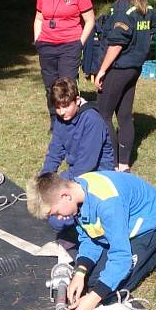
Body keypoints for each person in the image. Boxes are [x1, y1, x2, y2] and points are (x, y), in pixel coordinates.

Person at [26, 171, 156, 310]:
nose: (58, 218)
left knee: (111, 292)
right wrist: (80, 273)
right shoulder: (78, 195)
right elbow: (90, 237)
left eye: (56, 212)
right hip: (120, 227)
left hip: (149, 226)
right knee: (92, 281)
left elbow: (121, 257)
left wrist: (93, 299)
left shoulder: (107, 203)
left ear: (65, 196)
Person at [95, 0, 156, 173]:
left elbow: (116, 44)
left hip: (119, 67)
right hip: (135, 68)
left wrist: (102, 71)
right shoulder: (146, 8)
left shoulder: (123, 8)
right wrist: (141, 43)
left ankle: (112, 162)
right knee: (124, 115)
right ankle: (124, 165)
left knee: (103, 115)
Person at [41, 77, 115, 232]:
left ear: (77, 100)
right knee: (47, 208)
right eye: (58, 108)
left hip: (96, 176)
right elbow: (55, 151)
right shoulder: (61, 119)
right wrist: (44, 181)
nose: (61, 112)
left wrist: (61, 184)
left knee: (57, 220)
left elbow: (87, 164)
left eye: (66, 106)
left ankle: (84, 224)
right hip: (77, 174)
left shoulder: (92, 120)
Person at [33, 0, 96, 123]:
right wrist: (37, 40)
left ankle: (72, 120)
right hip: (46, 46)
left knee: (67, 86)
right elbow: (39, 18)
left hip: (70, 46)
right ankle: (55, 122)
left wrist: (79, 43)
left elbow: (90, 20)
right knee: (50, 87)